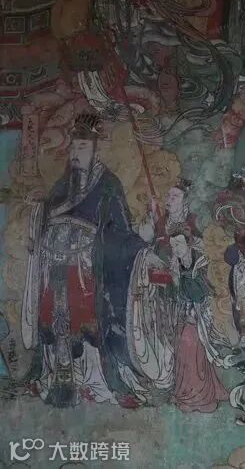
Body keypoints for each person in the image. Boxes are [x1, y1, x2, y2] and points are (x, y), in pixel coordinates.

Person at [20, 115, 148, 408]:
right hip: (53, 266)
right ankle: (57, 377)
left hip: (88, 269)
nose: (76, 154)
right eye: (73, 148)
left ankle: (94, 380)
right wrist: (38, 219)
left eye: (82, 148)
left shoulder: (108, 184)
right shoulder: (62, 185)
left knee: (86, 321)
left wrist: (142, 240)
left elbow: (121, 231)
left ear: (94, 150)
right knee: (53, 319)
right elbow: (45, 221)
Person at [132, 181, 230, 413]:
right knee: (162, 339)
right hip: (161, 292)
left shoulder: (194, 222)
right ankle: (166, 385)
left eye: (175, 196)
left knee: (188, 341)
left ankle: (193, 392)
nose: (169, 199)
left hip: (187, 290)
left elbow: (206, 251)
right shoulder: (160, 221)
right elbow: (145, 240)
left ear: (185, 200)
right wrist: (151, 216)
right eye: (168, 196)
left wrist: (185, 255)